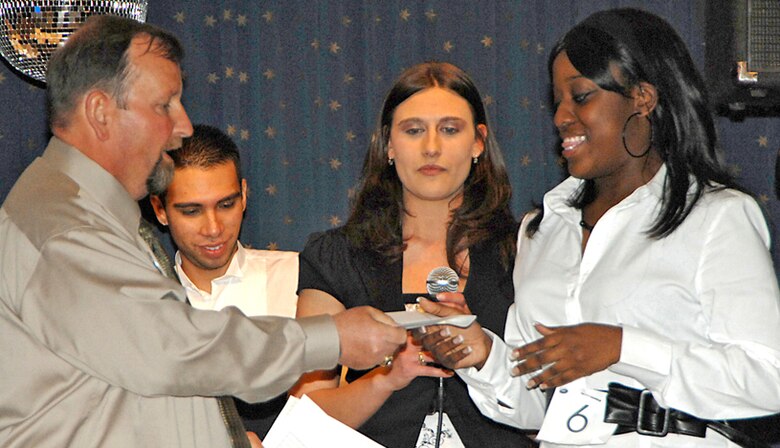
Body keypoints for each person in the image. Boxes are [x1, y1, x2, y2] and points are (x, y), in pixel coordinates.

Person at [0, 14, 405, 448]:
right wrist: (331, 338)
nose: (184, 127)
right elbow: (172, 350)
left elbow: (134, 391)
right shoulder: (63, 227)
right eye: (165, 105)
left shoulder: (78, 213)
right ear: (100, 112)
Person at [417, 8, 780, 447]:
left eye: (582, 96)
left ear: (643, 98)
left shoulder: (715, 216)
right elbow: (536, 403)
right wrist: (481, 355)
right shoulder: (542, 229)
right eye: (557, 101)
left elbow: (768, 379)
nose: (561, 117)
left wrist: (622, 347)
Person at [291, 61, 535, 447]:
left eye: (450, 130)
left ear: (478, 142)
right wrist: (386, 378)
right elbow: (306, 417)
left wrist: (486, 353)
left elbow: (559, 401)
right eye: (413, 130)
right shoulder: (337, 257)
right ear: (388, 144)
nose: (431, 147)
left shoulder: (527, 250)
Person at [150, 123, 298, 437]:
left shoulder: (299, 277)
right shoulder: (141, 304)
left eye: (226, 205)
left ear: (244, 195)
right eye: (192, 211)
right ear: (159, 210)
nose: (214, 228)